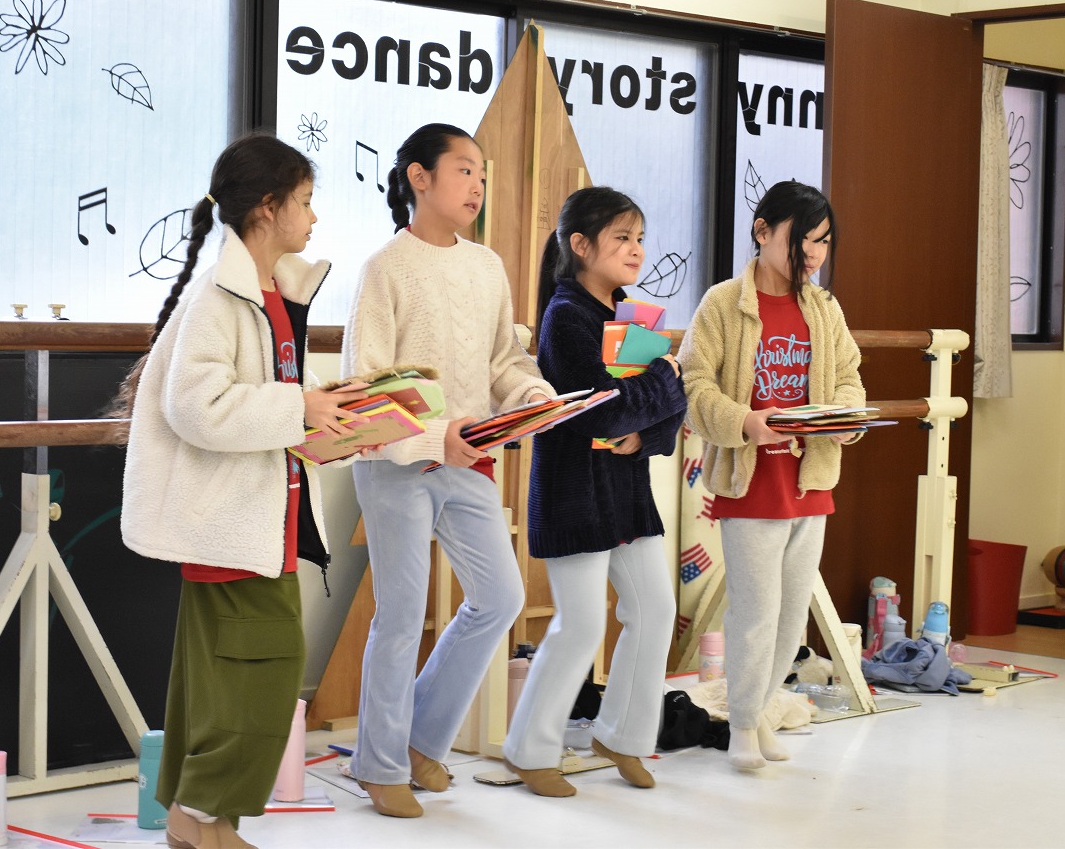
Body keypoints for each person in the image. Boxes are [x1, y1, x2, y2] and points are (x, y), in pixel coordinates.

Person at [117, 133, 369, 848]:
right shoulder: (222, 297)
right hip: (233, 525)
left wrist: (335, 412)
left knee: (220, 679)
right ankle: (203, 816)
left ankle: (197, 817)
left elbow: (271, 398)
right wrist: (300, 407)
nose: (313, 218)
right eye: (305, 201)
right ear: (267, 206)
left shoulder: (268, 293)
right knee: (263, 674)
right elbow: (197, 406)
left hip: (259, 522)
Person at [341, 122, 555, 818]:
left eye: (482, 175)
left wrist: (531, 395)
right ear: (419, 176)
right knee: (401, 615)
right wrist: (437, 434)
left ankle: (418, 740)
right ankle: (379, 765)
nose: (477, 186)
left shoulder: (487, 266)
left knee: (500, 597)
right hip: (395, 463)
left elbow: (502, 361)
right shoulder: (384, 268)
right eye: (464, 170)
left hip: (469, 458)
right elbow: (365, 392)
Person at [500, 186, 686, 796]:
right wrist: (662, 380)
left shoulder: (631, 315)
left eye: (639, 238)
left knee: (655, 611)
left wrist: (646, 428)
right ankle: (529, 750)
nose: (636, 250)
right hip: (575, 493)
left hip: (626, 493)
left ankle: (623, 736)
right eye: (622, 238)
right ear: (580, 245)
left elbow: (665, 412)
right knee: (580, 625)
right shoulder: (565, 315)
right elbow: (601, 410)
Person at [678, 180, 864, 771]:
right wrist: (744, 422)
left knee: (789, 618)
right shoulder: (721, 303)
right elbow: (692, 384)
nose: (813, 253)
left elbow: (850, 378)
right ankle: (740, 725)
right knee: (755, 615)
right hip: (751, 483)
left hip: (811, 483)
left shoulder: (825, 308)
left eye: (823, 241)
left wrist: (844, 419)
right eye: (801, 239)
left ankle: (757, 712)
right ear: (762, 231)